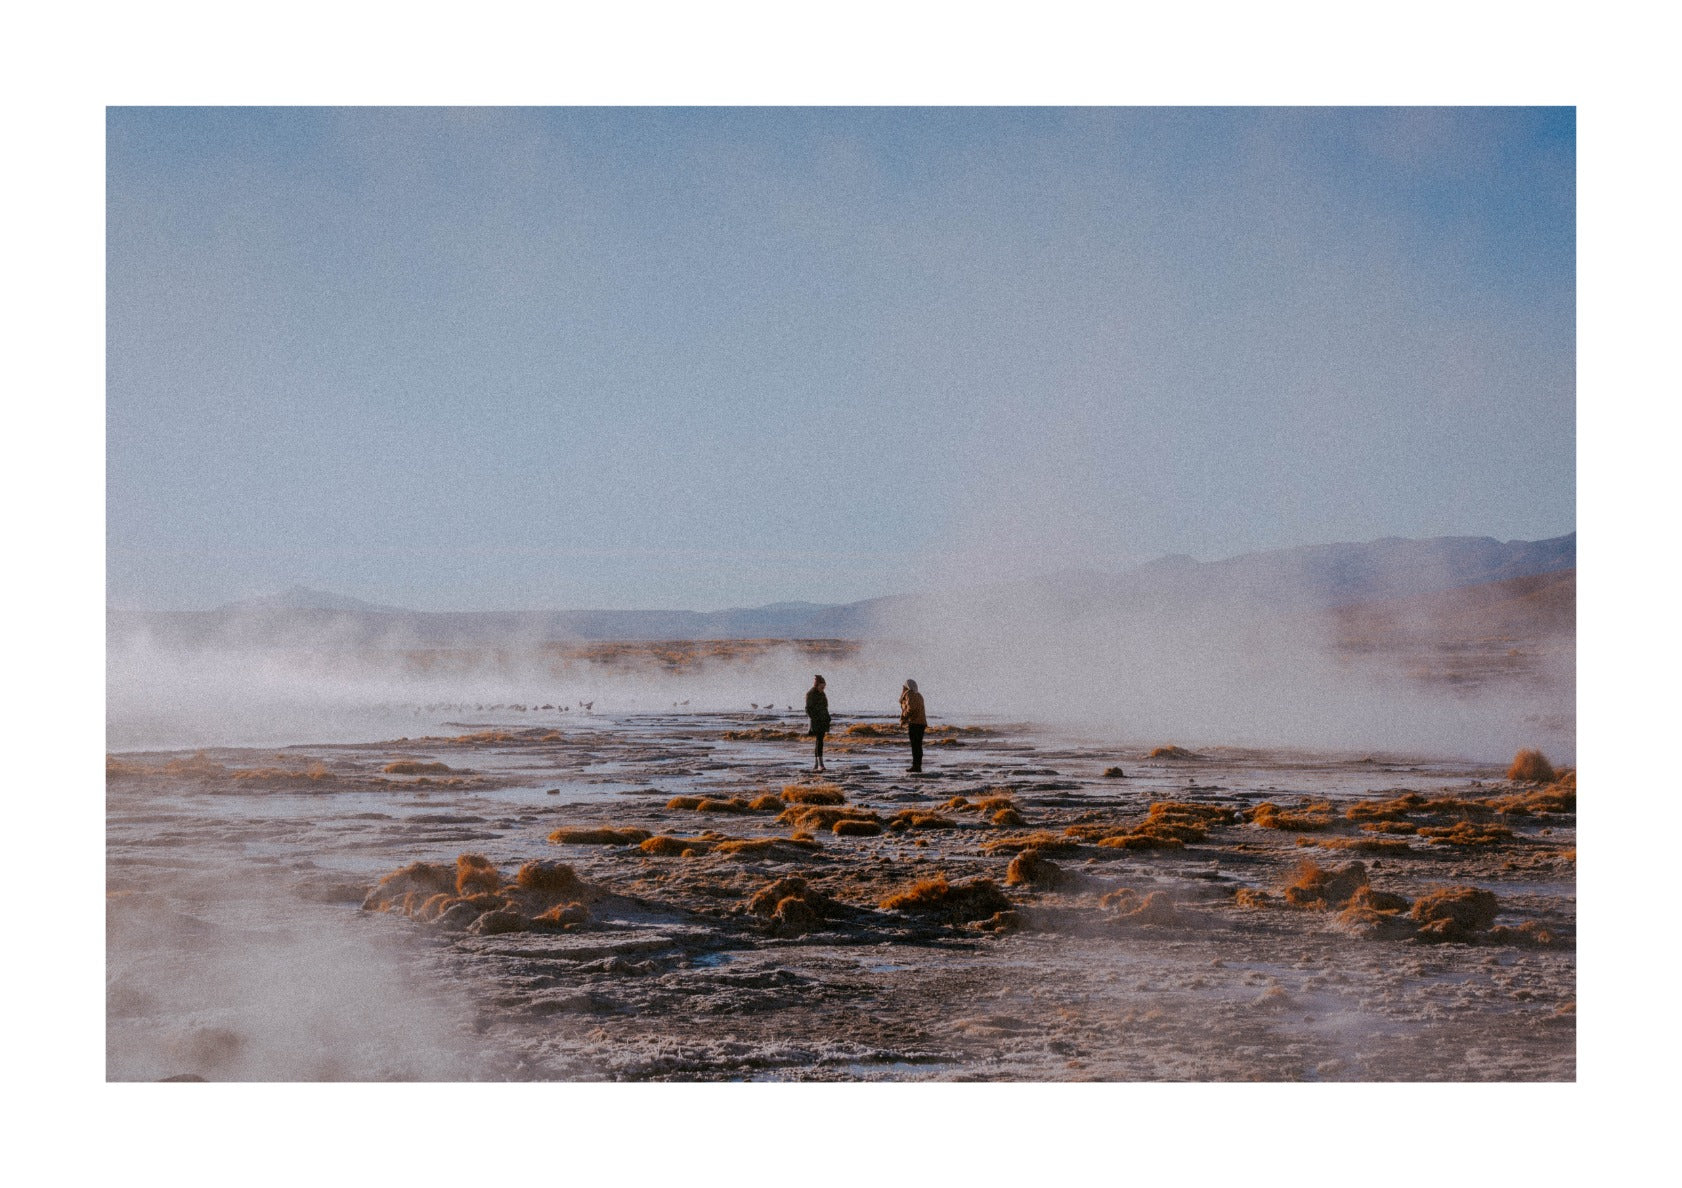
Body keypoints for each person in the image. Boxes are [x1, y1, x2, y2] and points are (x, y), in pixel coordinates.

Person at [899, 678, 927, 773]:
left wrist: (904, 717)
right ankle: (917, 766)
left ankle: (916, 766)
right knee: (918, 746)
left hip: (915, 723)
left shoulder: (909, 694)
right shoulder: (919, 695)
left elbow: (911, 708)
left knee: (915, 746)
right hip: (922, 723)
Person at [804, 675, 830, 772]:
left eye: (824, 686)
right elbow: (807, 709)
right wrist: (814, 718)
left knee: (819, 741)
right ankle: (820, 764)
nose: (823, 688)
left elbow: (825, 707)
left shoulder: (822, 694)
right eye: (822, 686)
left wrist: (828, 717)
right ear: (817, 685)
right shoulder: (811, 694)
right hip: (816, 721)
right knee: (819, 741)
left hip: (823, 720)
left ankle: (816, 764)